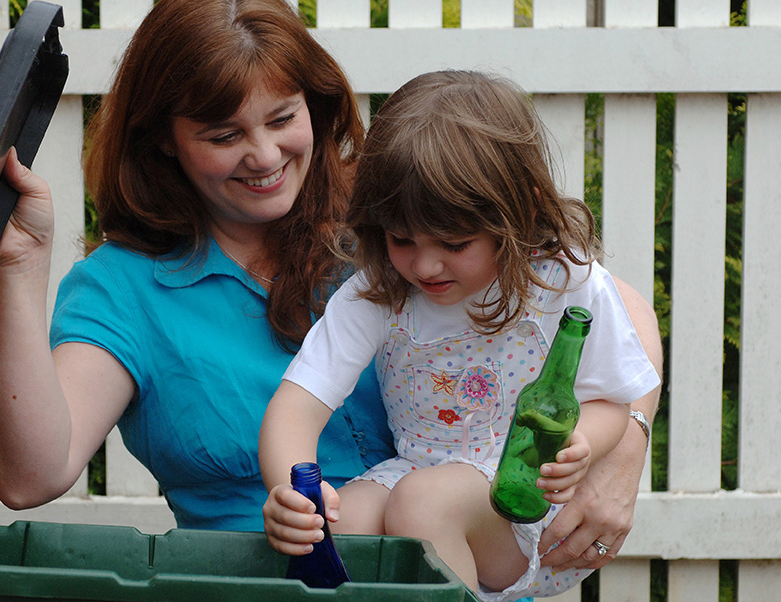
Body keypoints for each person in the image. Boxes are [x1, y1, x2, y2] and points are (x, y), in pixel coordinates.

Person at [0, 0, 661, 579]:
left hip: (454, 534)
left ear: (317, 105)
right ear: (164, 141)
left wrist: (623, 443)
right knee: (381, 517)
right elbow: (27, 477)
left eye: (282, 120)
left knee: (417, 510)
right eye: (224, 134)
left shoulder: (385, 223)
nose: (266, 157)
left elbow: (604, 307)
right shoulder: (127, 289)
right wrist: (18, 269)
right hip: (274, 577)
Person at [258, 70, 661, 601]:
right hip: (419, 469)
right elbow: (297, 405)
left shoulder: (565, 283)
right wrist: (291, 489)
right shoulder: (379, 293)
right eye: (401, 238)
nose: (424, 264)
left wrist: (580, 443)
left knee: (423, 503)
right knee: (343, 527)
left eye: (453, 241)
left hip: (526, 507)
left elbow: (615, 397)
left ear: (517, 212)